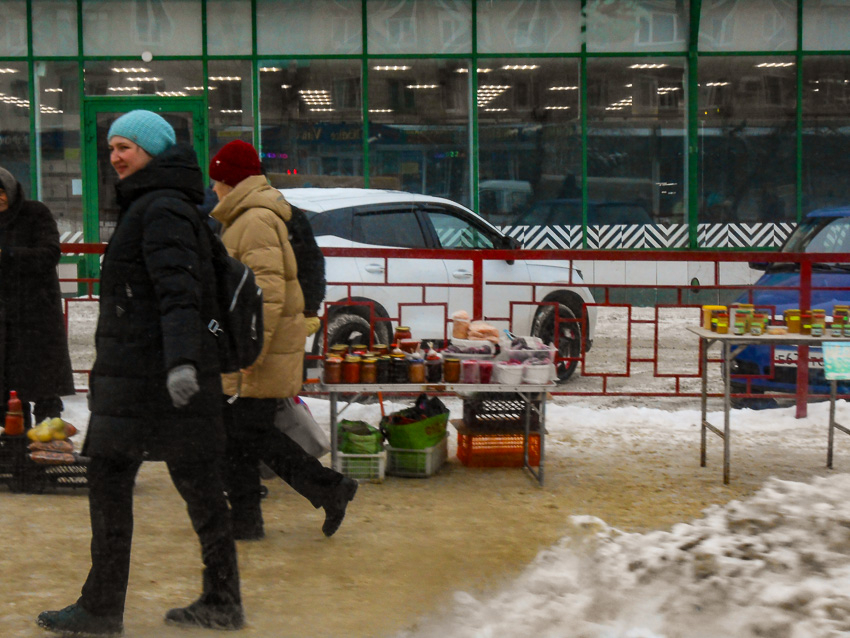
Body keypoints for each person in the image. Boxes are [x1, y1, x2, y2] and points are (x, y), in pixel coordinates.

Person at [37, 110, 243, 635]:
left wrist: (181, 364)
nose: (115, 156)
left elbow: (181, 294)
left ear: (154, 150)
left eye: (126, 146)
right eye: (111, 148)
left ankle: (105, 608)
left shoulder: (162, 209)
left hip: (156, 380)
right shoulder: (157, 203)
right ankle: (217, 599)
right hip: (144, 378)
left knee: (136, 482)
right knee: (192, 484)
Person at [208, 139, 357, 541]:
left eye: (217, 180)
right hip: (257, 345)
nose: (214, 189)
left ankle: (323, 490)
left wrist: (249, 349)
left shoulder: (254, 220)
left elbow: (267, 293)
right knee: (244, 433)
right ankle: (261, 514)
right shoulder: (245, 216)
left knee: (244, 432)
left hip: (258, 349)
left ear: (229, 180)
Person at [0, 166, 75, 428]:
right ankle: (17, 451)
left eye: (1, 191)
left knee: (44, 391)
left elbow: (50, 253)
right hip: (5, 321)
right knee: (10, 397)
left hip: (37, 318)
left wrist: (7, 256)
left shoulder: (36, 213)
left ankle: (46, 451)